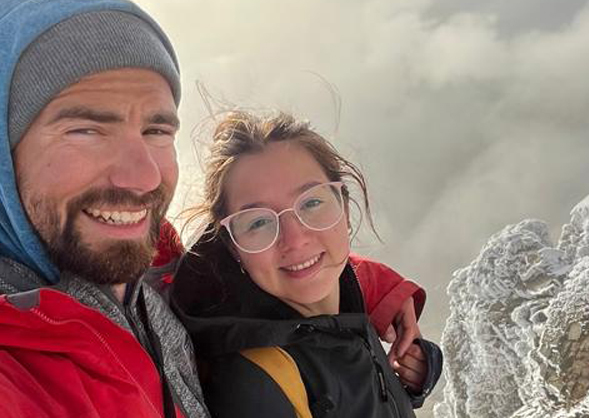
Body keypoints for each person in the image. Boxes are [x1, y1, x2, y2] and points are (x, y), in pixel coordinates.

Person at [0, 0, 421, 418]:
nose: (141, 176)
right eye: (86, 127)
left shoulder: (149, 265)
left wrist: (378, 294)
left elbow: (271, 259)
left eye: (156, 129)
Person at [170, 110, 443, 418]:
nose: (295, 239)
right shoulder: (257, 383)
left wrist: (408, 378)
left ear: (345, 209)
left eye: (311, 203)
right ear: (234, 249)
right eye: (258, 222)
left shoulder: (343, 313)